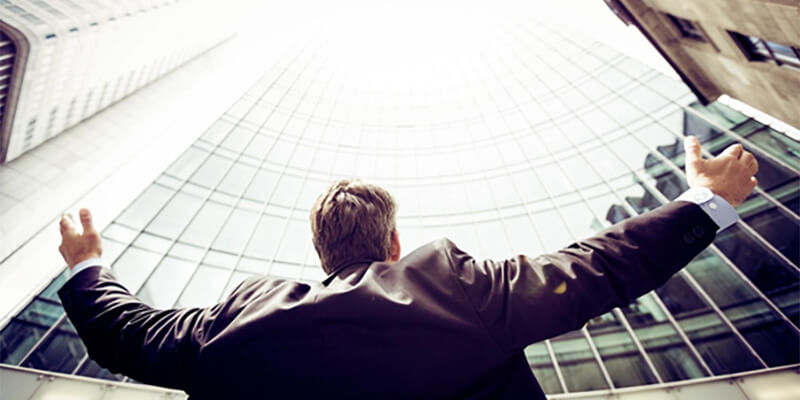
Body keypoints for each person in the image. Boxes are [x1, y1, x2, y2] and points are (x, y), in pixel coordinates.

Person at [57, 137, 758, 399]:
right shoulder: (448, 284)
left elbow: (124, 334)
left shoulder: (236, 322)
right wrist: (706, 201)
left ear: (322, 255)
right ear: (393, 245)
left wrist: (89, 266)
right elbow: (599, 266)